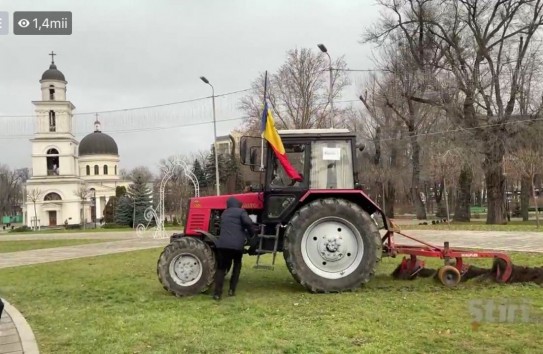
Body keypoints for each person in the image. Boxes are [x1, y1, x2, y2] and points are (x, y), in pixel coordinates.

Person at [213, 197, 255, 300]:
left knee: (221, 268)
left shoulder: (224, 213)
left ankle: (217, 294)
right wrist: (252, 234)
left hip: (223, 245)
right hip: (236, 246)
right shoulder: (241, 212)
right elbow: (248, 222)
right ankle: (232, 290)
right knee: (237, 266)